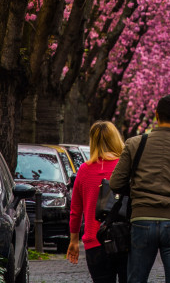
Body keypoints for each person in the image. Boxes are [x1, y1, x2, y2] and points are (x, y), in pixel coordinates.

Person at [109, 94, 170, 283]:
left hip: (141, 220)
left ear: (156, 114)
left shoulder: (134, 144)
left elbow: (115, 183)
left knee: (136, 279)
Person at [67, 120, 128, 282]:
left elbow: (75, 210)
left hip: (95, 240)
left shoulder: (85, 170)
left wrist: (73, 240)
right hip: (126, 238)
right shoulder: (125, 167)